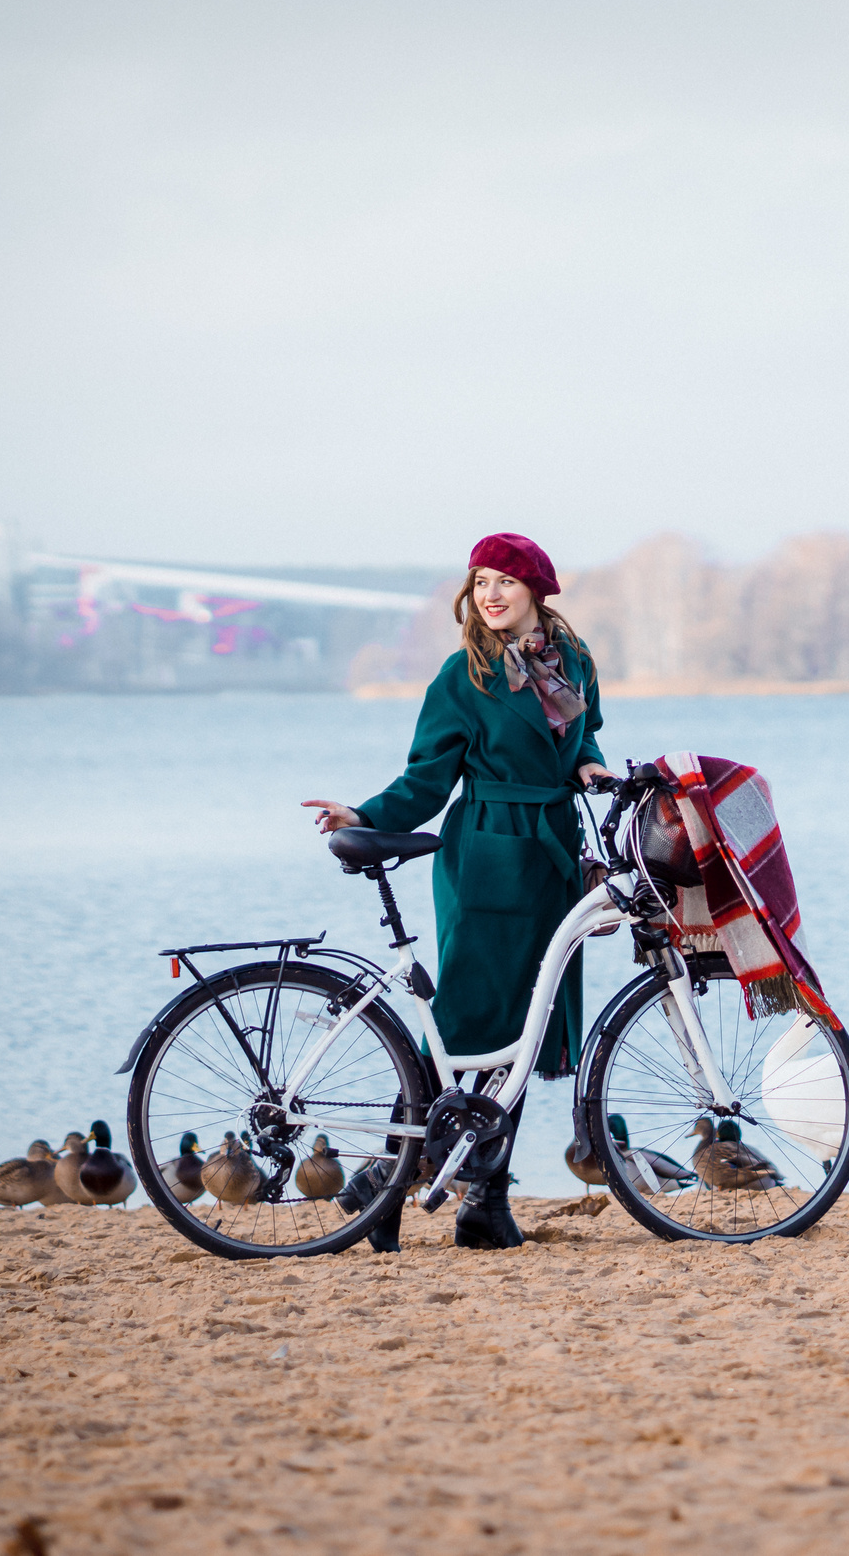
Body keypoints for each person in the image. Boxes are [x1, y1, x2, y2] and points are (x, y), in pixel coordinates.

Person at [303, 532, 609, 1251]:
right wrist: (367, 815)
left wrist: (590, 768)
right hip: (486, 855)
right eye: (479, 583)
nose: (491, 594)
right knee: (472, 1022)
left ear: (537, 588)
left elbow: (584, 732)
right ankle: (386, 1173)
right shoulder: (462, 675)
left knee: (526, 1033)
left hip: (555, 851)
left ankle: (485, 1200)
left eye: (504, 580)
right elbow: (428, 777)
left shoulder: (575, 660)